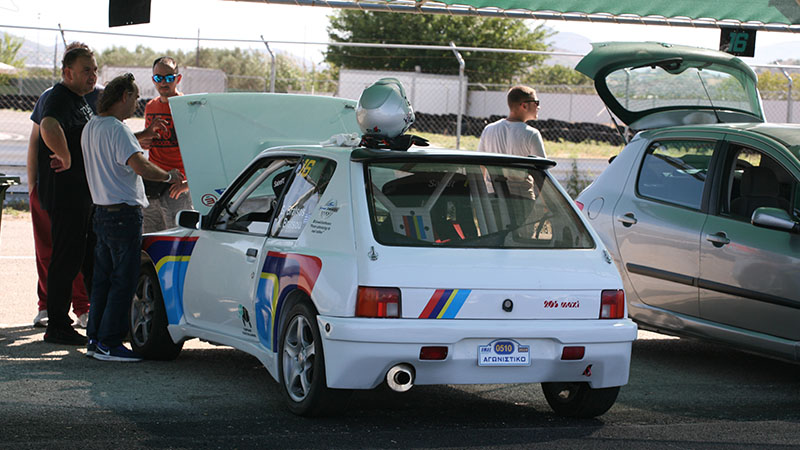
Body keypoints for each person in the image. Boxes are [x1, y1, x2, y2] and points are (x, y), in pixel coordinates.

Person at [81, 73, 181, 362]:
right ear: (124, 96)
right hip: (123, 215)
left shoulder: (92, 126)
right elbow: (140, 165)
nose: (137, 103)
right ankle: (111, 342)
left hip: (101, 213)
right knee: (123, 281)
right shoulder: (118, 129)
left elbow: (118, 150)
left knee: (102, 280)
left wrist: (142, 136)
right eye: (135, 97)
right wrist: (169, 176)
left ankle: (95, 340)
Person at [26, 42, 100, 329]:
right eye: (86, 70)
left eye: (94, 70)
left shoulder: (81, 99)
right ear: (68, 72)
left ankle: (88, 315)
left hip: (81, 195)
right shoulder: (58, 97)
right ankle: (57, 322)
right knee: (64, 259)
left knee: (79, 257)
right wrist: (65, 155)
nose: (92, 76)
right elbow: (47, 126)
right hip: (65, 195)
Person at [142, 56, 191, 232]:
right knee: (150, 238)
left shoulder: (188, 107)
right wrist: (145, 142)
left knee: (178, 238)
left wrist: (187, 184)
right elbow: (148, 143)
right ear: (153, 80)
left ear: (178, 79)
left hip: (177, 186)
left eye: (169, 78)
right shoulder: (150, 107)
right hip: (153, 183)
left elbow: (201, 151)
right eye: (158, 78)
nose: (163, 82)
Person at [478, 85, 546, 158]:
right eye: (536, 103)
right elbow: (541, 164)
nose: (538, 107)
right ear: (524, 106)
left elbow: (480, 161)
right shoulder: (532, 134)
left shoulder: (488, 130)